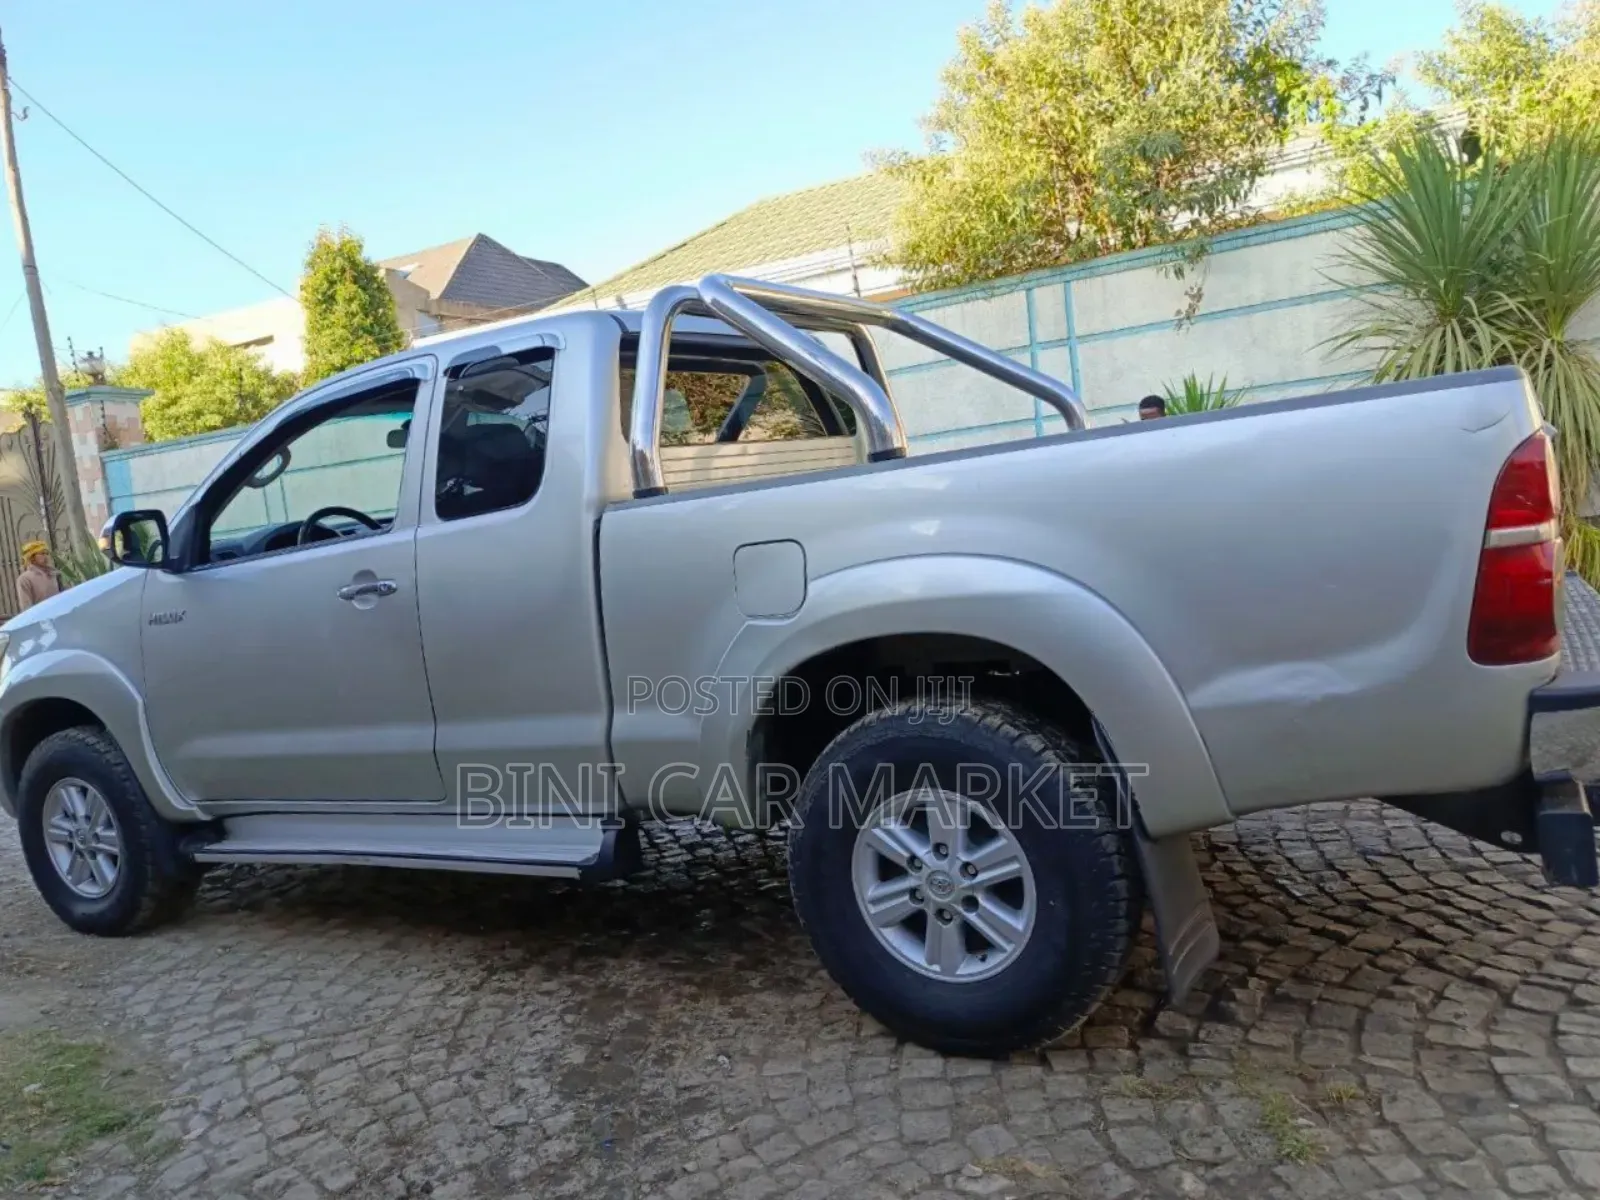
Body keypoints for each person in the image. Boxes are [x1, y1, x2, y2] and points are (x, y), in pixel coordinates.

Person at [16, 541, 60, 612]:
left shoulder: (52, 574)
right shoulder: (25, 578)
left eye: (47, 553)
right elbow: (26, 606)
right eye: (42, 553)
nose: (46, 556)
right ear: (32, 557)